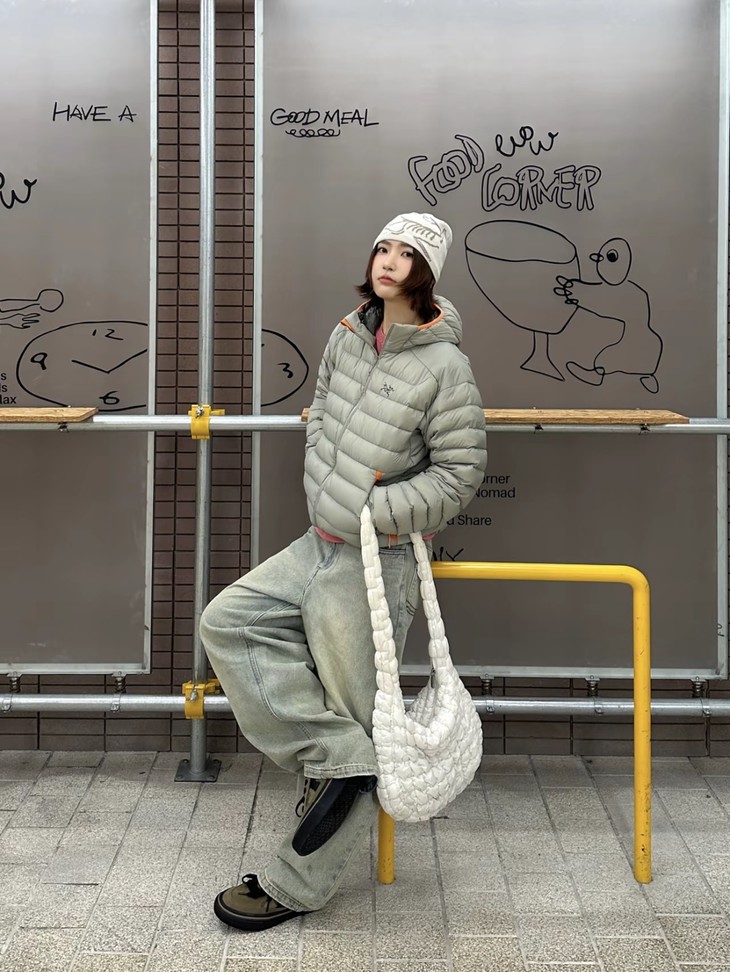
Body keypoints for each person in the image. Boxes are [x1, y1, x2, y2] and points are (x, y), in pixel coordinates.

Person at [199, 211, 488, 931]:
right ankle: (337, 759)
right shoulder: (348, 334)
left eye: (406, 253)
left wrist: (370, 508)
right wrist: (323, 471)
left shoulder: (446, 367)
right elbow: (324, 407)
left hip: (374, 559)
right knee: (229, 622)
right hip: (317, 542)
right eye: (382, 247)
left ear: (426, 272)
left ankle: (297, 885)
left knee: (363, 717)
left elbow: (459, 476)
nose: (388, 260)